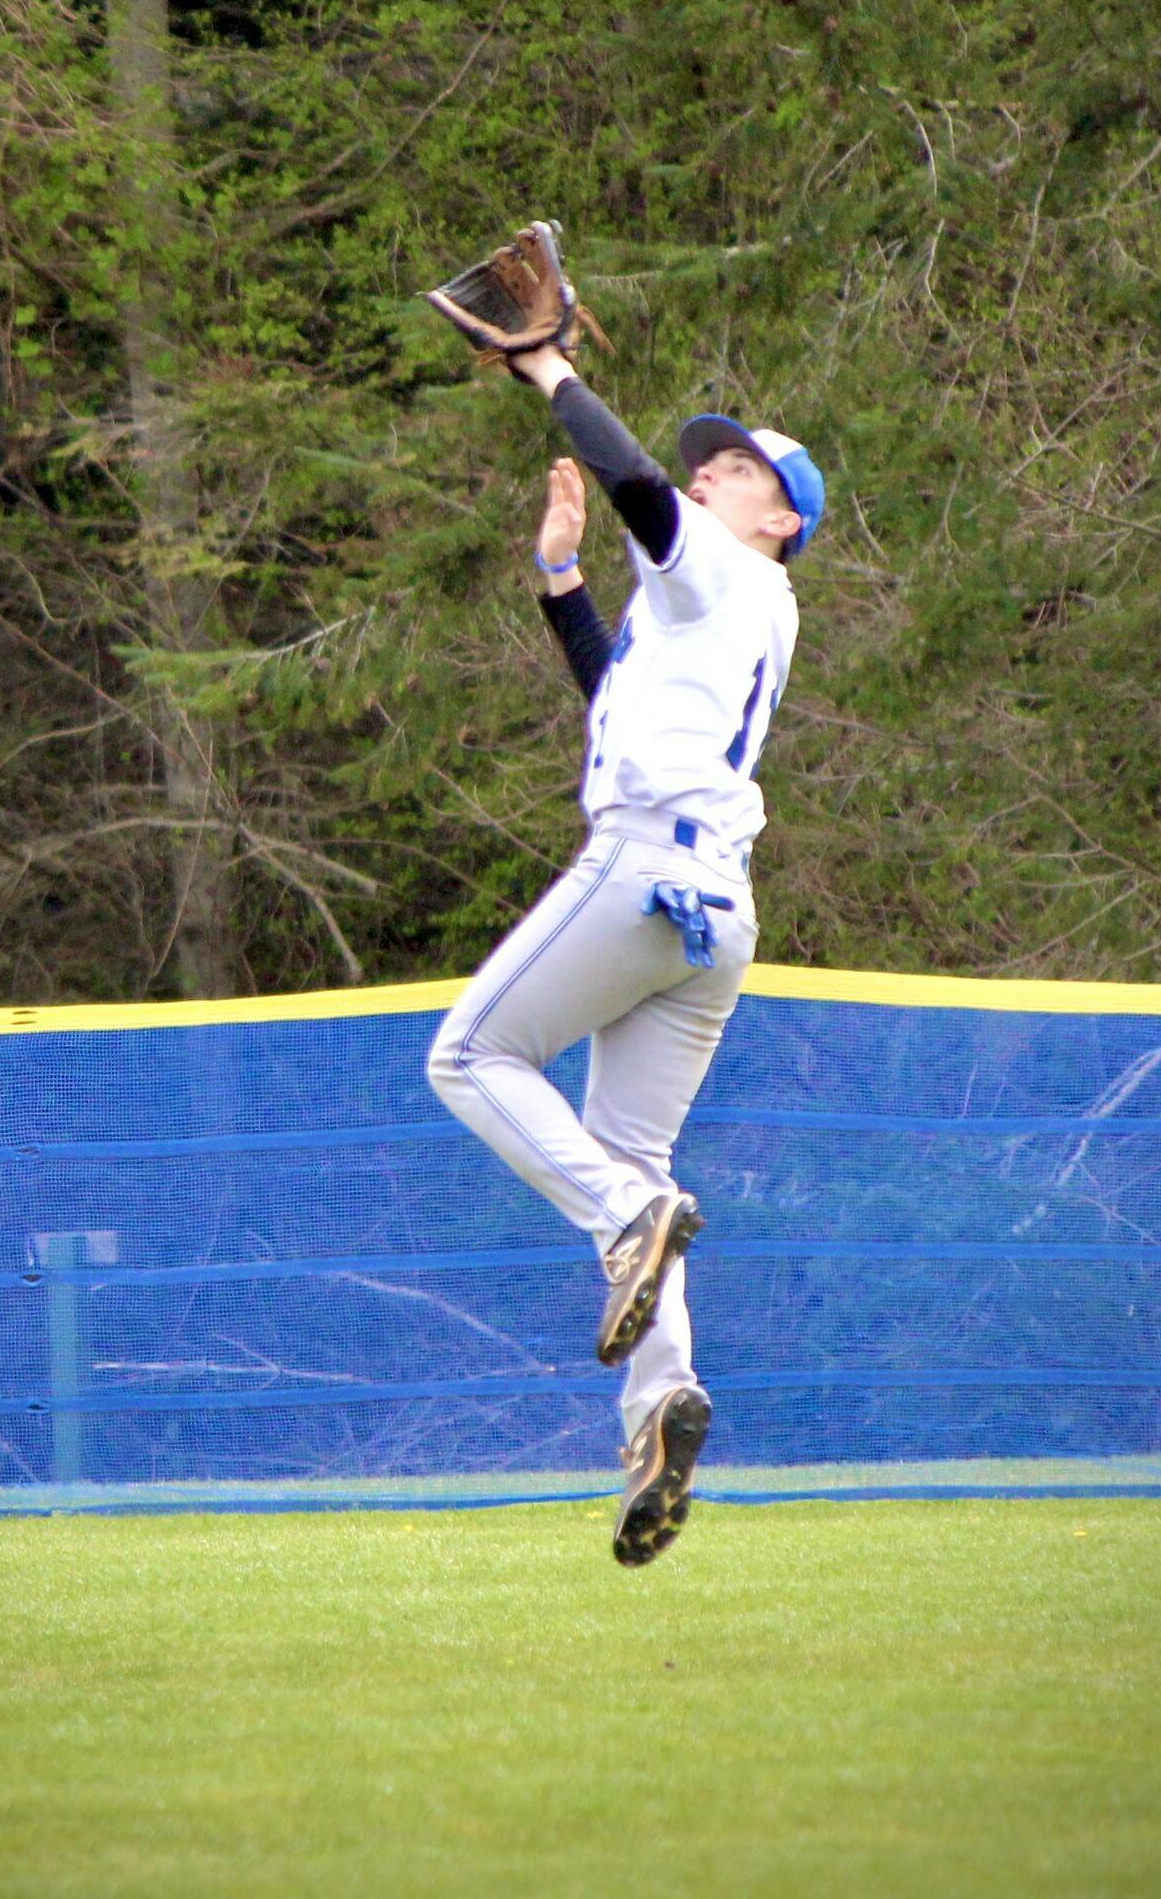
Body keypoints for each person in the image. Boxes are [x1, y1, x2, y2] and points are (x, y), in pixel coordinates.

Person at [424, 250, 824, 1566]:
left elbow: (640, 486)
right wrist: (559, 584)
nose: (713, 474)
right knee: (637, 1162)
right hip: (716, 912)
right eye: (714, 464)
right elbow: (618, 699)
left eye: (744, 473)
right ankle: (663, 1412)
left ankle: (621, 1227)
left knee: (470, 1056)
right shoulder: (711, 605)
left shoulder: (726, 568)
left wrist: (546, 369)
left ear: (782, 523)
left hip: (650, 863)